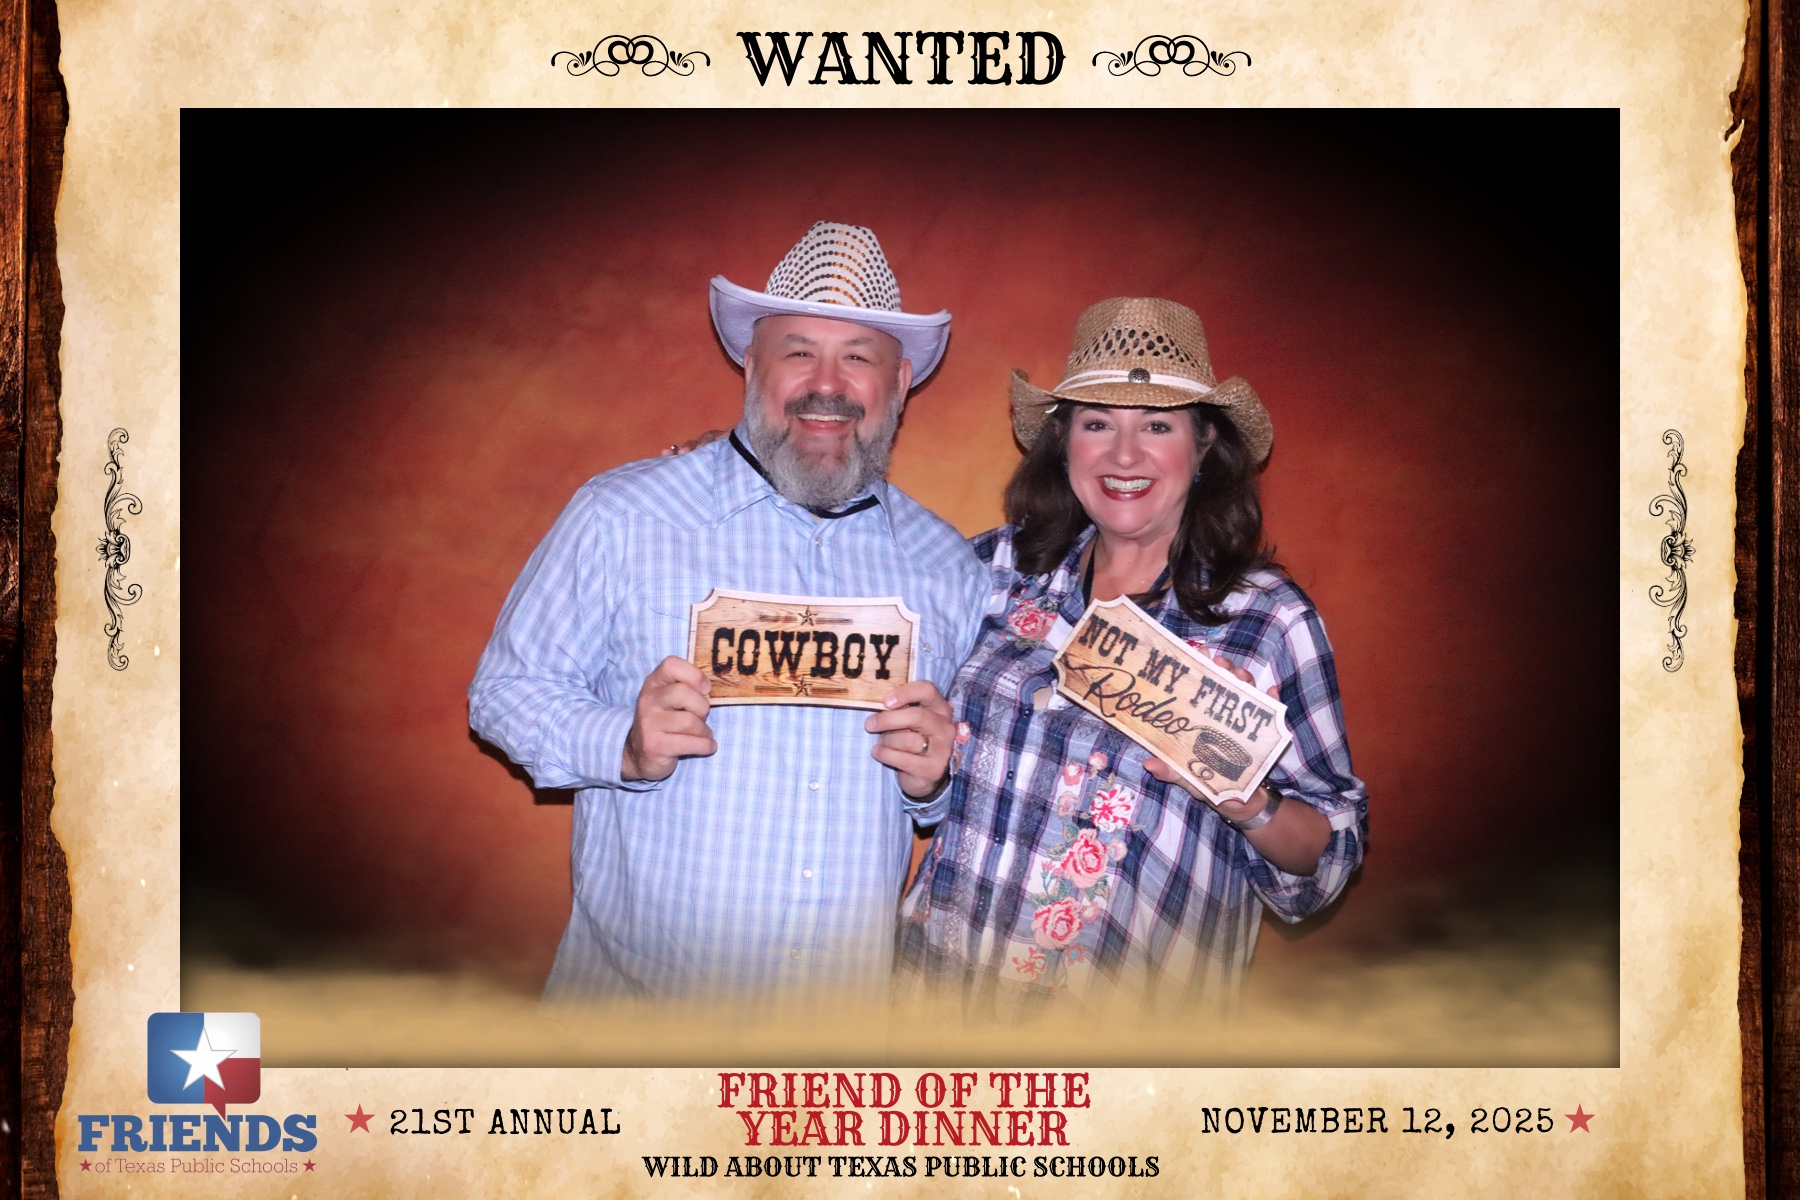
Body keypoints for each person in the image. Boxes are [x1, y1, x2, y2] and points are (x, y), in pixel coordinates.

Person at [468, 221, 987, 1005]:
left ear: (901, 380)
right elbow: (504, 693)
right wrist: (624, 743)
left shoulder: (949, 568)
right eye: (798, 350)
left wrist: (933, 782)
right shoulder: (625, 514)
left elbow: (950, 791)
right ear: (752, 362)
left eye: (858, 356)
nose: (828, 382)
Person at [893, 296, 1367, 1019]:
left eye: (1156, 425)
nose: (1123, 455)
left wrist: (1250, 802)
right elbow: (863, 586)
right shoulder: (996, 570)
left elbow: (1328, 853)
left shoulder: (1268, 621)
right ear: (1064, 444)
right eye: (1096, 423)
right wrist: (739, 473)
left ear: (1204, 446)